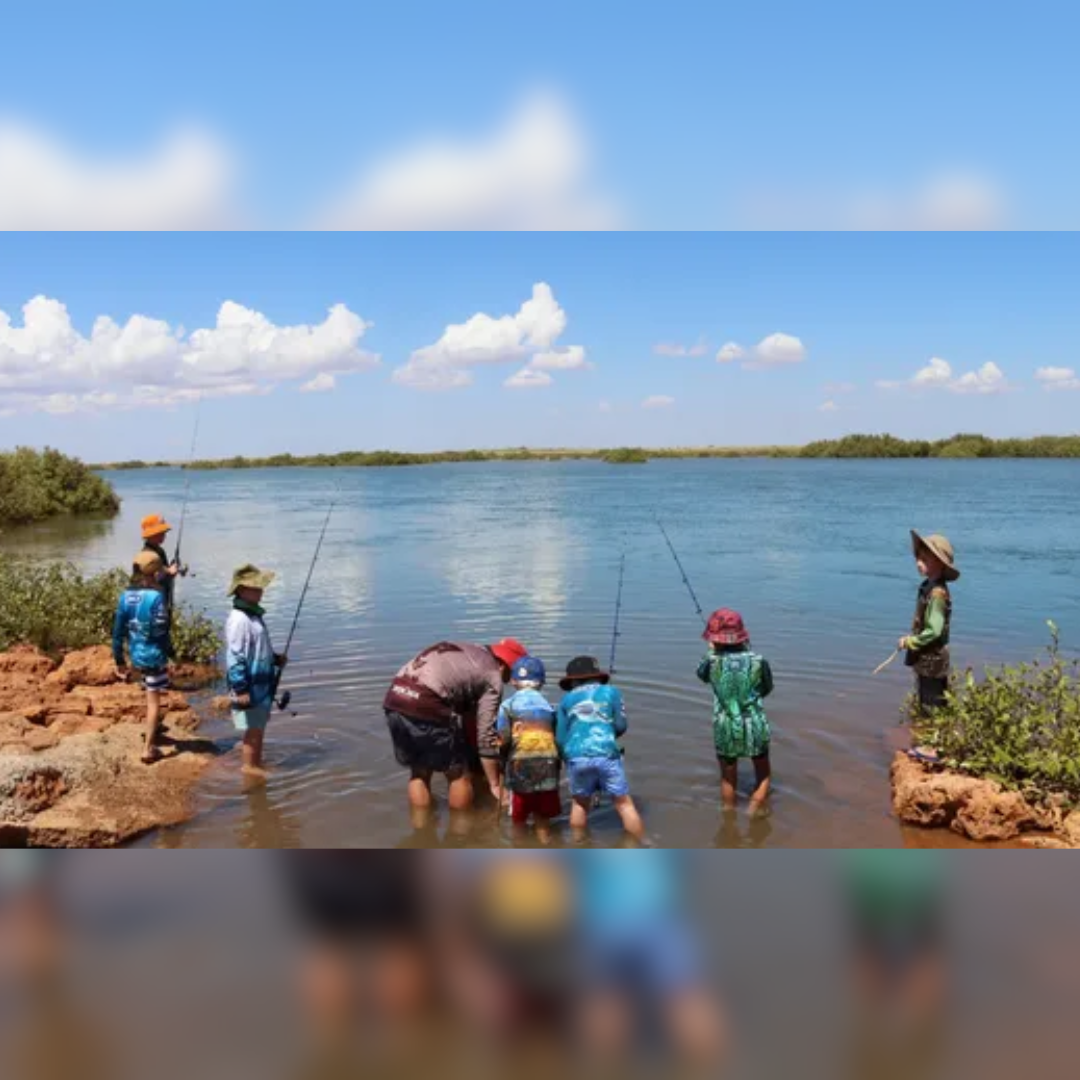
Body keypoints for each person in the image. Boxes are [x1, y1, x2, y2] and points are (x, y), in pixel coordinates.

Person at [384, 639, 528, 813]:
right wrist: (495, 784)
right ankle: (461, 833)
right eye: (511, 674)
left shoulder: (470, 652)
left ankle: (421, 829)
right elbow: (485, 734)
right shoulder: (492, 675)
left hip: (395, 697)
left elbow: (467, 714)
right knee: (459, 775)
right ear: (503, 665)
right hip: (426, 701)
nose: (509, 681)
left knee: (420, 771)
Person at [555, 656, 645, 842]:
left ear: (572, 680)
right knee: (623, 803)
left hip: (576, 756)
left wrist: (567, 758)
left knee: (579, 803)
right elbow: (621, 726)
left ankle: (579, 843)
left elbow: (560, 738)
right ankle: (640, 844)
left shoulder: (565, 700)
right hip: (606, 753)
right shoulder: (612, 692)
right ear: (597, 677)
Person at [696, 608, 774, 813]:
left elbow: (701, 676)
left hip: (725, 725)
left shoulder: (711, 661)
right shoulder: (758, 660)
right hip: (755, 722)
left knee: (728, 778)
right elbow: (767, 688)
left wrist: (711, 652)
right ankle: (753, 809)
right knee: (763, 773)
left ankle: (729, 819)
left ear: (714, 638)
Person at [225, 564, 286, 779]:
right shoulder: (239, 619)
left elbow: (256, 648)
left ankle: (255, 764)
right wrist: (240, 688)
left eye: (261, 587)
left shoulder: (253, 615)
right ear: (241, 590)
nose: (261, 591)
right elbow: (235, 657)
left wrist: (275, 658)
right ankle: (249, 769)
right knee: (252, 731)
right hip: (248, 686)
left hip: (260, 685)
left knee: (258, 727)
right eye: (256, 587)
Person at [112, 551, 172, 765]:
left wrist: (119, 660)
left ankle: (153, 730)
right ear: (155, 574)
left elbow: (118, 632)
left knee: (148, 692)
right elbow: (162, 630)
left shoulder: (125, 596)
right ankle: (148, 749)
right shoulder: (156, 597)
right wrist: (170, 655)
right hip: (154, 656)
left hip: (136, 656)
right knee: (154, 702)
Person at [496, 657, 561, 845]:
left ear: (514, 681)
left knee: (519, 819)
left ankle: (519, 849)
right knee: (542, 816)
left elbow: (504, 739)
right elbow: (554, 737)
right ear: (541, 683)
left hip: (521, 765)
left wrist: (500, 756)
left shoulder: (507, 705)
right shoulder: (549, 707)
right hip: (548, 764)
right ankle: (544, 842)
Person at [900, 531, 959, 719]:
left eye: (925, 559)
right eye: (919, 557)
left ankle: (932, 746)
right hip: (928, 658)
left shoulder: (937, 594)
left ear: (940, 564)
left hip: (934, 659)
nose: (919, 562)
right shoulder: (929, 586)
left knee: (933, 703)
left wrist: (912, 641)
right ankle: (929, 741)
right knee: (927, 699)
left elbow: (934, 630)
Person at [140, 513, 185, 612]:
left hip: (165, 600)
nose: (164, 535)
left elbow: (165, 573)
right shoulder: (147, 554)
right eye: (161, 532)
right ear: (152, 534)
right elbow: (152, 578)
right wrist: (169, 571)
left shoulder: (160, 551)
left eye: (164, 532)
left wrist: (175, 569)